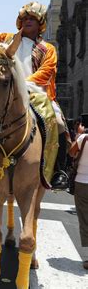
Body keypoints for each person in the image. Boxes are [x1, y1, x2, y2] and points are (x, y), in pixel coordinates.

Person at [0, 0, 68, 190]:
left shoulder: (47, 49)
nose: (28, 21)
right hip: (5, 91)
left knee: (58, 120)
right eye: (25, 18)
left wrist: (22, 84)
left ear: (40, 24)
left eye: (33, 19)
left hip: (36, 94)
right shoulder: (5, 40)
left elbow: (45, 73)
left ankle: (58, 171)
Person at [69, 113, 88, 269]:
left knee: (85, 219)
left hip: (83, 182)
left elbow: (71, 152)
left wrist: (79, 135)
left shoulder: (83, 139)